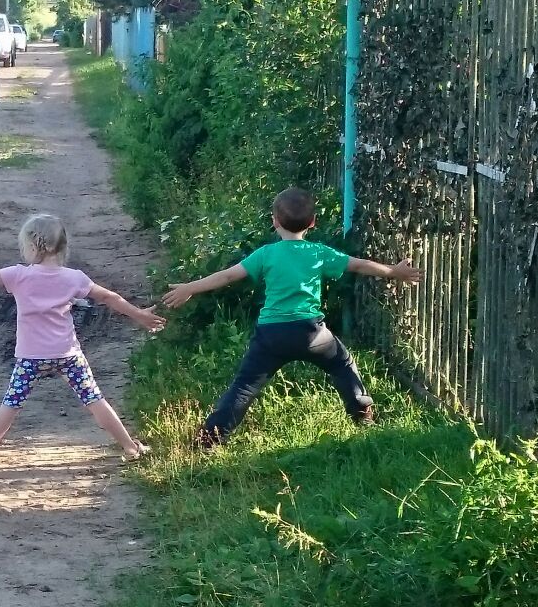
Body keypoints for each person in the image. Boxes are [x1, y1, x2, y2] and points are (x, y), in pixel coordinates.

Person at [161, 187, 423, 448]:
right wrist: (393, 271)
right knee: (342, 366)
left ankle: (210, 438)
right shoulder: (318, 253)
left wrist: (190, 288)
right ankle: (363, 415)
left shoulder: (266, 254)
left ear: (274, 221)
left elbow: (228, 275)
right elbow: (358, 265)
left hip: (271, 336)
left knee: (244, 387)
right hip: (312, 333)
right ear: (312, 223)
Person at [0, 214, 165, 467]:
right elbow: (110, 297)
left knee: (11, 404)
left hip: (31, 358)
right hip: (67, 355)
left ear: (34, 246)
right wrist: (140, 315)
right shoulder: (74, 278)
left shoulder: (19, 276)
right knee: (94, 399)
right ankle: (131, 447)